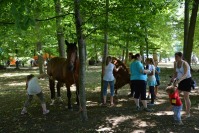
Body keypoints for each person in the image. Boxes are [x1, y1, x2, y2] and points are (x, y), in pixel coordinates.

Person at [171, 52, 192, 118]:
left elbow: (185, 74)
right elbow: (175, 73)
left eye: (177, 56)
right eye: (175, 56)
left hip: (187, 81)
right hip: (179, 81)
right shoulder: (175, 63)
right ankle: (175, 109)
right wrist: (173, 79)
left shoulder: (185, 63)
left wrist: (178, 81)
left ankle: (187, 113)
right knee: (175, 95)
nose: (175, 58)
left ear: (181, 57)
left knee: (186, 97)